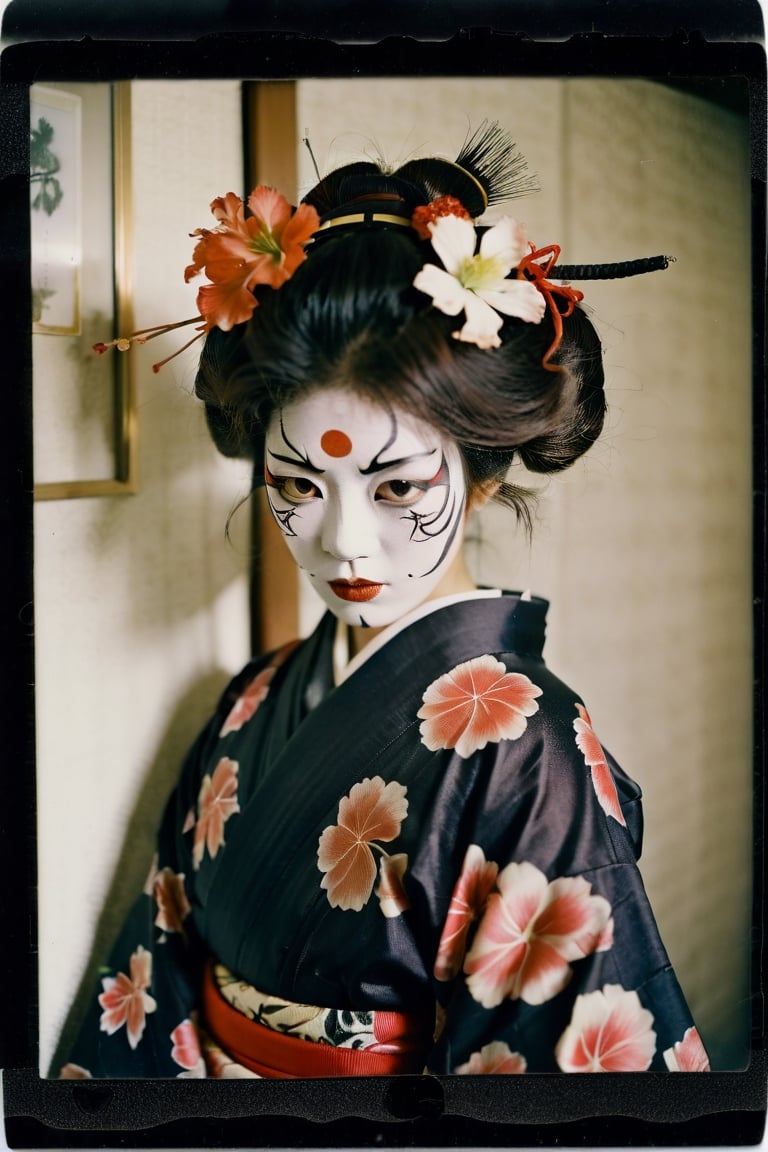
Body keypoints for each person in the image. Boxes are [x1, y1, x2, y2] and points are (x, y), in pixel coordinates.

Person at [60, 123, 710, 1079]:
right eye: (297, 487)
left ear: (483, 475)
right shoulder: (251, 696)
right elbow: (154, 978)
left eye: (397, 486)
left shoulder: (531, 754)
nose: (344, 540)